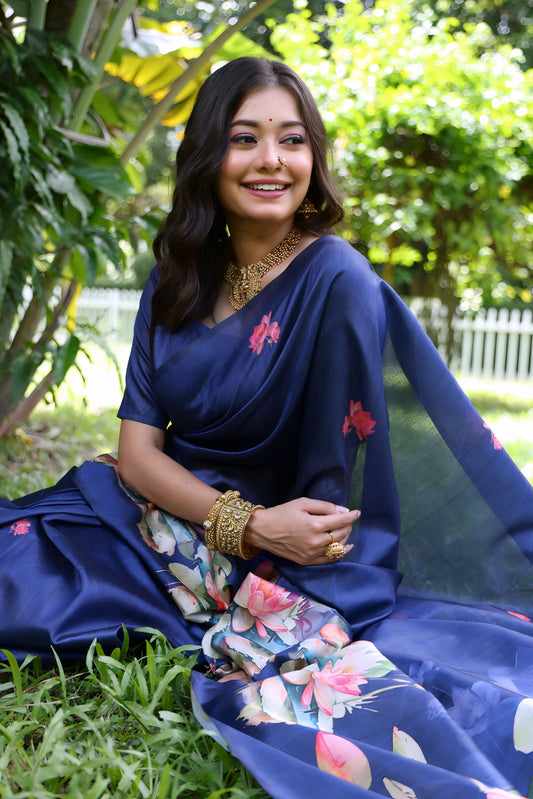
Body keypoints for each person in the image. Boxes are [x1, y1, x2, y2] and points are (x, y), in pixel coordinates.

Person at [1, 56, 533, 799]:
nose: (270, 161)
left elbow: (329, 500)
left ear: (313, 159)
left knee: (50, 606)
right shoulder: (178, 273)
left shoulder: (335, 279)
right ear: (208, 156)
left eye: (290, 140)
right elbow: (135, 450)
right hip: (166, 515)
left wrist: (257, 541)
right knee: (20, 561)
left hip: (278, 571)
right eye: (244, 138)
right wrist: (240, 522)